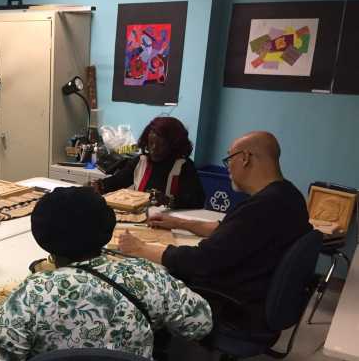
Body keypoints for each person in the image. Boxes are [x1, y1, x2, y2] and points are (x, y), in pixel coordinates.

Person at [0, 186, 212, 361]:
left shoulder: (32, 294)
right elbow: (201, 323)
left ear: (42, 237)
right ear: (107, 229)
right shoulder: (146, 276)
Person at [117, 131, 312, 330]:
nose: (228, 168)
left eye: (229, 159)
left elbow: (201, 260)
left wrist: (140, 248)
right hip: (259, 295)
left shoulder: (261, 208)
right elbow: (229, 230)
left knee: (143, 281)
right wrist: (178, 223)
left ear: (245, 158)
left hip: (236, 307)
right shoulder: (288, 195)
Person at [93, 116, 205, 209]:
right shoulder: (141, 161)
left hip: (173, 222)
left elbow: (197, 200)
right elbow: (118, 180)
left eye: (160, 145)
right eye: (151, 143)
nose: (153, 149)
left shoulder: (183, 166)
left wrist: (168, 200)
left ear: (174, 145)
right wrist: (100, 185)